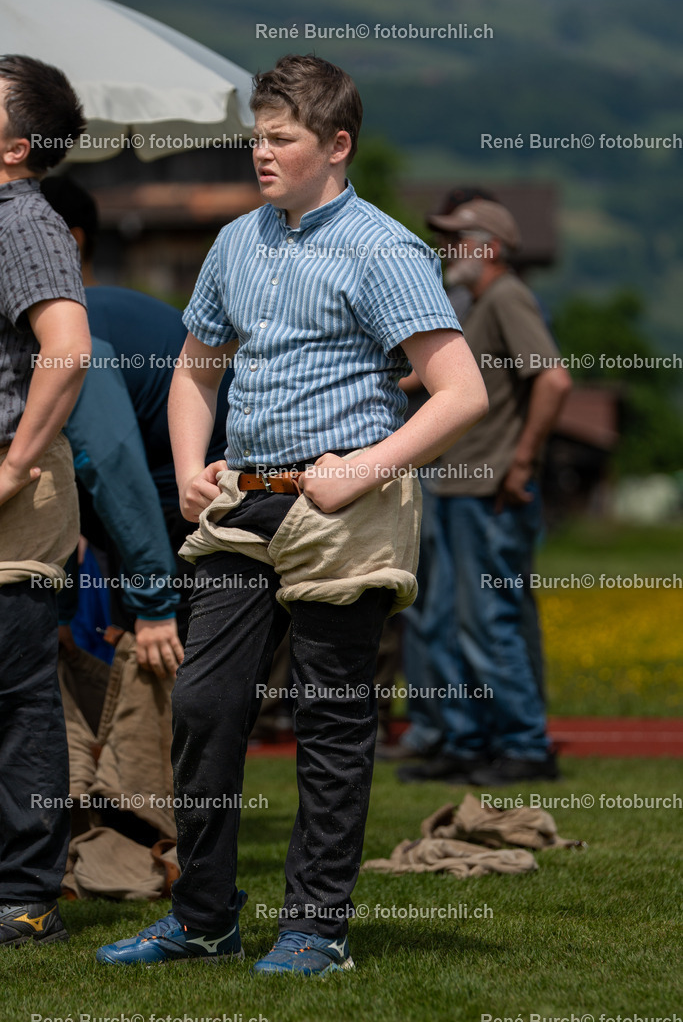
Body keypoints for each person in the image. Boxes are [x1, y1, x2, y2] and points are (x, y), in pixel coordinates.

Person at [96, 53, 488, 973]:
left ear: (336, 144)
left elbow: (460, 391)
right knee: (204, 703)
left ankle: (316, 928)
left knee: (331, 718)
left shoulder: (384, 249)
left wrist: (363, 470)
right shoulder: (237, 241)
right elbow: (196, 371)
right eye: (257, 138)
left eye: (282, 139)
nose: (261, 153)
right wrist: (188, 469)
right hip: (244, 501)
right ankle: (204, 919)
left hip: (344, 509)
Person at [397, 198, 572, 787]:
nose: (445, 248)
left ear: (489, 248)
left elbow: (553, 379)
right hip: (459, 486)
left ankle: (524, 745)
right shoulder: (477, 304)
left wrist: (521, 462)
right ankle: (468, 742)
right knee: (454, 623)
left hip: (487, 490)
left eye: (456, 238)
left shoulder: (506, 297)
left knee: (488, 622)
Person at [40, 177, 234, 675]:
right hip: (159, 491)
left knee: (164, 663)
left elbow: (111, 463)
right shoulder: (61, 321)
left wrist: (153, 603)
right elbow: (60, 479)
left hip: (191, 493)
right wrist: (60, 610)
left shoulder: (72, 334)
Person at [0, 55, 90, 946]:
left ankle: (25, 897)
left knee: (17, 697)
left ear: (17, 146)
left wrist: (14, 467)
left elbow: (68, 348)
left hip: (13, 496)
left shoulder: (23, 219)